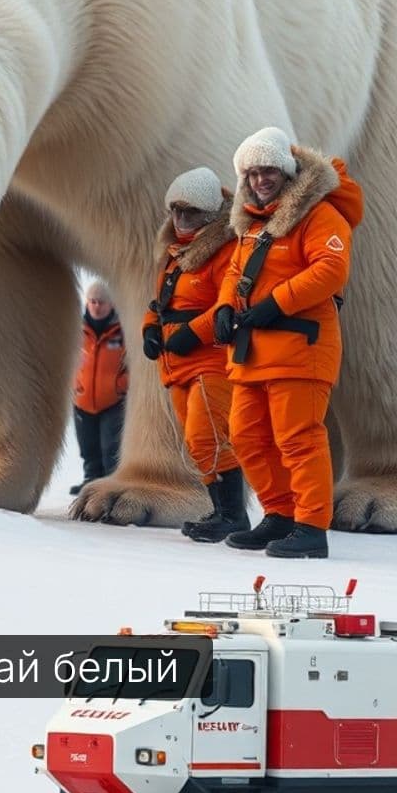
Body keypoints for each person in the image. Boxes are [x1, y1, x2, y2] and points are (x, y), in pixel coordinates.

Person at [215, 127, 363, 558]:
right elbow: (234, 273)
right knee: (245, 435)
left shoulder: (320, 214)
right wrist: (225, 305)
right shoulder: (252, 222)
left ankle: (311, 527)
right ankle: (279, 515)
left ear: (287, 170)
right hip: (254, 352)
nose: (261, 179)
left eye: (269, 171)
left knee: (298, 438)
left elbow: (331, 269)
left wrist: (276, 303)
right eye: (253, 172)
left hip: (302, 349)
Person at [142, 167, 249, 541]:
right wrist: (150, 330)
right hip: (176, 363)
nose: (181, 220)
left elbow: (230, 301)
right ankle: (221, 511)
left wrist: (194, 333)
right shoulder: (175, 254)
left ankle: (234, 515)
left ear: (210, 215)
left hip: (209, 361)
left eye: (190, 213)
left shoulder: (225, 251)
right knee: (196, 442)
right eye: (176, 211)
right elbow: (160, 303)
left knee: (211, 437)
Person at [70, 281, 128, 495]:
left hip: (112, 401)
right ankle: (91, 480)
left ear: (111, 304)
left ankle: (111, 485)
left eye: (101, 302)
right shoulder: (77, 330)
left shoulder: (122, 331)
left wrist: (120, 385)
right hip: (82, 400)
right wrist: (73, 385)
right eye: (92, 302)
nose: (96, 306)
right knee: (88, 447)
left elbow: (133, 363)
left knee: (110, 447)